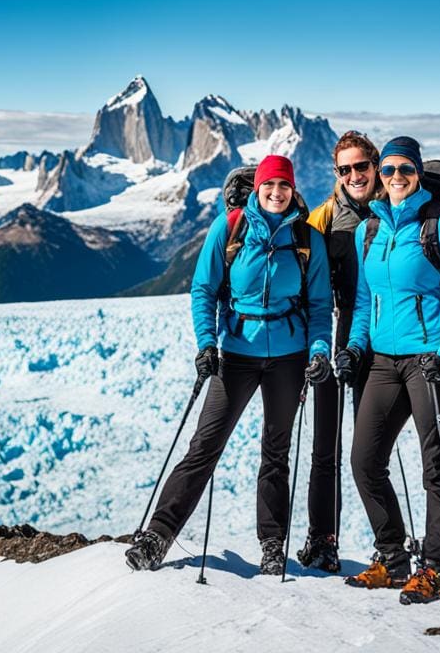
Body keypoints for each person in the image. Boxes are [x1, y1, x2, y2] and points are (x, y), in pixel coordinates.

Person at [125, 155, 334, 575]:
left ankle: (272, 544)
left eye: (284, 186)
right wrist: (207, 344)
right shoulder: (231, 227)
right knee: (205, 445)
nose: (277, 193)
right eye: (269, 185)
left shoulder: (308, 238)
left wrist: (318, 351)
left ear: (294, 191)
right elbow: (203, 289)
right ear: (258, 187)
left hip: (289, 359)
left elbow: (319, 306)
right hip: (235, 354)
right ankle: (158, 535)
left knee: (276, 452)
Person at [335, 136, 440, 604]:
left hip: (430, 362)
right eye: (390, 170)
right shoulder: (369, 230)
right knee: (364, 460)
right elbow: (363, 301)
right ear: (381, 174)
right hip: (381, 361)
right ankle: (393, 557)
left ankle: (436, 567)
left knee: (435, 467)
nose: (397, 178)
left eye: (406, 170)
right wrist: (356, 347)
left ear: (417, 173)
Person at [296, 131, 381, 573]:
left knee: (370, 452)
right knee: (324, 448)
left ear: (375, 165)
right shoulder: (324, 217)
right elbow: (305, 282)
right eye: (344, 169)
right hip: (330, 340)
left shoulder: (395, 210)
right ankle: (323, 539)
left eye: (360, 167)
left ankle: (388, 545)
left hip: (379, 341)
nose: (353, 176)